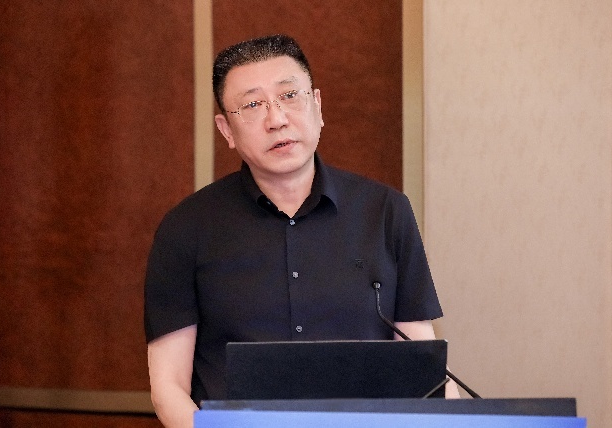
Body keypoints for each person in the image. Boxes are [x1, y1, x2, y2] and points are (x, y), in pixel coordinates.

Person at [145, 34, 459, 428]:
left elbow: (425, 369)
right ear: (227, 131)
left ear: (318, 106)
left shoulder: (385, 210)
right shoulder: (185, 228)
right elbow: (168, 387)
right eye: (253, 105)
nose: (276, 119)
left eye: (290, 95)